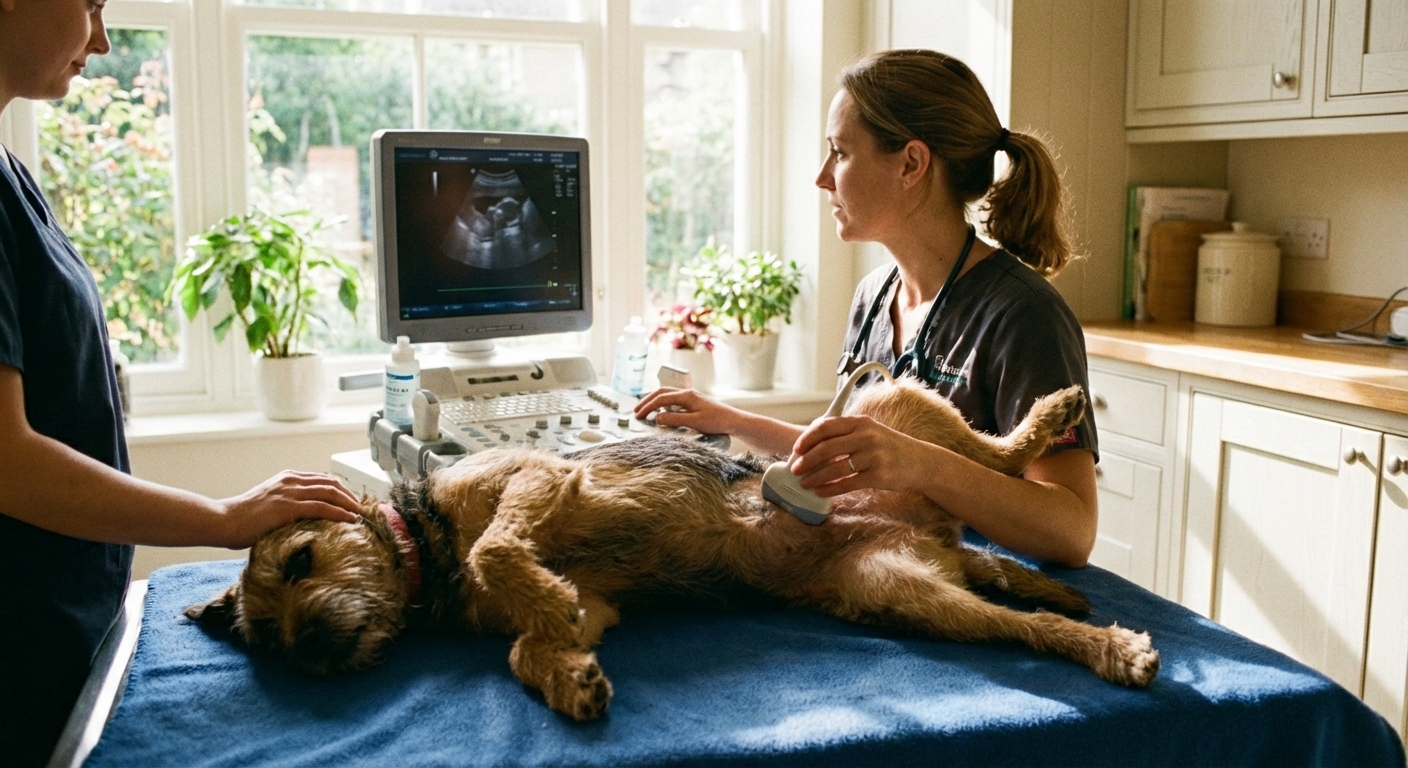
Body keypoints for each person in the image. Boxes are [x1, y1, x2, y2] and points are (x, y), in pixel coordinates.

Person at [0, 2, 362, 763]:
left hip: (65, 625)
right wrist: (223, 516)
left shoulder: (11, 176)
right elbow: (6, 459)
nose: (101, 39)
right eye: (91, 5)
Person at [635, 49, 1098, 569]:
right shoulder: (874, 296)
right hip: (887, 555)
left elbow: (1072, 530)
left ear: (911, 164)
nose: (822, 177)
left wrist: (920, 464)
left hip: (974, 576)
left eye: (840, 153)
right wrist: (730, 419)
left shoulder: (1024, 314)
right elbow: (860, 456)